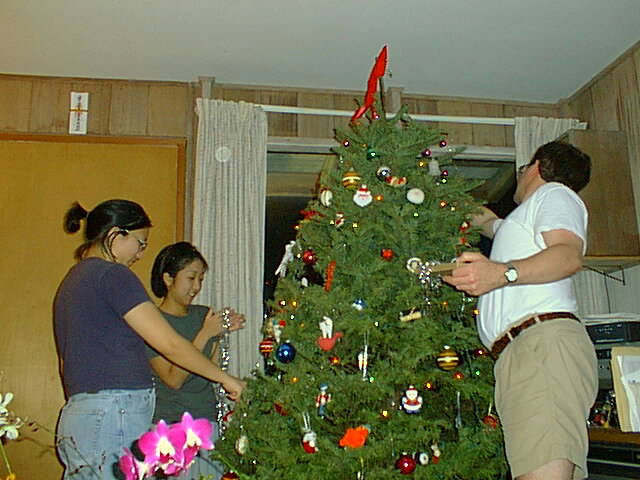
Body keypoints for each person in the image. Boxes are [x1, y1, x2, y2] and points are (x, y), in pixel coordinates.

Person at [53, 200, 245, 480]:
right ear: (115, 235)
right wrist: (227, 379)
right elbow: (170, 344)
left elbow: (64, 363)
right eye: (140, 243)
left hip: (82, 414)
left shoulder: (72, 281)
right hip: (111, 414)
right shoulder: (113, 275)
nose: (141, 254)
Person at [443, 141, 598, 480]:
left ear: (538, 166)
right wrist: (437, 191)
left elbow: (568, 256)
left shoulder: (556, 195)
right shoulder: (521, 221)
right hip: (524, 350)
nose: (519, 175)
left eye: (523, 167)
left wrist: (501, 273)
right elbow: (486, 221)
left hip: (541, 346)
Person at [146, 242, 246, 480]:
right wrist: (206, 334)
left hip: (205, 422)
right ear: (168, 279)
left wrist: (222, 332)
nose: (197, 287)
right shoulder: (151, 321)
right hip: (170, 425)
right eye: (191, 278)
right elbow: (173, 379)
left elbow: (208, 371)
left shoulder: (203, 314)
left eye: (201, 279)